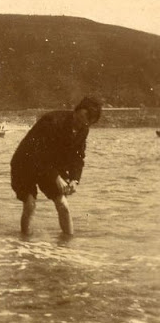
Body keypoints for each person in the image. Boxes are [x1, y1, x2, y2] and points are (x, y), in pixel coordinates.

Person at [10, 96, 102, 236]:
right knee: (30, 204)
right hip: (25, 164)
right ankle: (24, 244)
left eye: (86, 123)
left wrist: (74, 179)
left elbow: (78, 158)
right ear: (76, 111)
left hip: (48, 167)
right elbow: (38, 153)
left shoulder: (83, 129)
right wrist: (56, 177)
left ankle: (67, 248)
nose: (80, 126)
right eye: (79, 120)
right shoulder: (52, 121)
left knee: (63, 205)